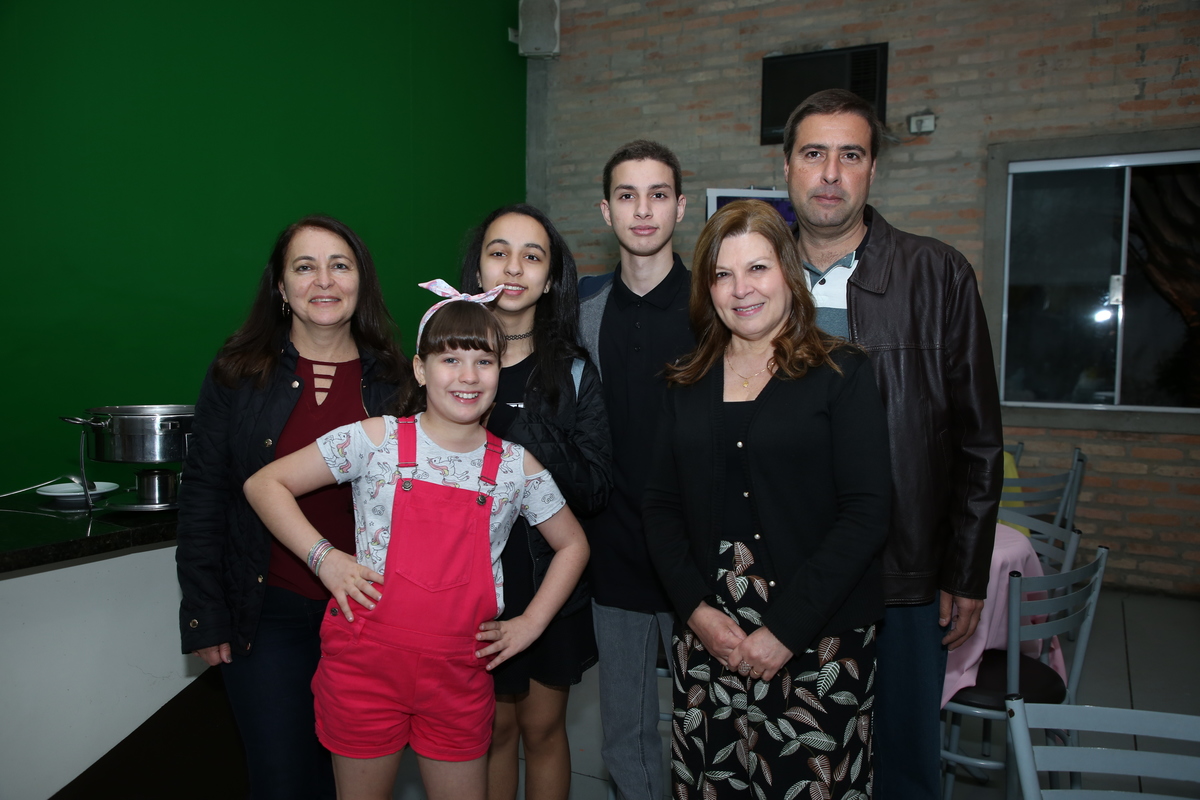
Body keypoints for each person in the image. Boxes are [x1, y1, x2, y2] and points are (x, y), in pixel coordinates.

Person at [243, 288, 591, 800]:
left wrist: (531, 624)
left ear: (499, 371)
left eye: (484, 361)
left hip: (458, 681)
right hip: (363, 671)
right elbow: (264, 485)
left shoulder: (516, 467)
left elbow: (573, 545)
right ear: (420, 369)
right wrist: (325, 559)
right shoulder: (374, 440)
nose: (468, 375)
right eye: (450, 359)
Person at [781, 88, 1004, 797]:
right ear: (787, 167)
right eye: (814, 153)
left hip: (902, 574)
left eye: (850, 155)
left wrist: (965, 571)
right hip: (787, 570)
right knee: (799, 759)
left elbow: (978, 440)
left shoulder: (937, 275)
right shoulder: (752, 278)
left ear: (873, 170)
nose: (830, 173)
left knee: (903, 764)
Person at [643, 199, 892, 799]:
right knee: (712, 783)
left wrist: (785, 629)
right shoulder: (684, 380)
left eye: (757, 268)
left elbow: (867, 513)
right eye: (722, 274)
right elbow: (659, 506)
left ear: (788, 272)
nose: (741, 289)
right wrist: (697, 613)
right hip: (711, 631)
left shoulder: (842, 373)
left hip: (819, 630)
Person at [176, 214, 411, 800]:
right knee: (281, 780)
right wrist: (204, 611)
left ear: (361, 282)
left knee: (349, 784)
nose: (323, 281)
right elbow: (204, 493)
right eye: (305, 267)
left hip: (367, 614)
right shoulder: (238, 373)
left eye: (340, 266)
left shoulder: (399, 379)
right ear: (281, 286)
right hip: (265, 612)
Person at [458, 205, 610, 800]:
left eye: (532, 256)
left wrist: (526, 427)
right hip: (471, 583)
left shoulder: (573, 373)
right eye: (499, 252)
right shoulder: (452, 364)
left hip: (549, 579)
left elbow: (595, 487)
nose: (514, 268)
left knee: (542, 730)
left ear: (550, 280)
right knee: (493, 731)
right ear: (478, 269)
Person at [578, 139, 694, 800]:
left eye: (657, 195)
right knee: (625, 734)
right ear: (606, 210)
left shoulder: (714, 309)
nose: (642, 210)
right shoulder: (584, 313)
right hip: (614, 551)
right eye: (627, 195)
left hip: (699, 558)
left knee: (709, 725)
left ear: (680, 207)